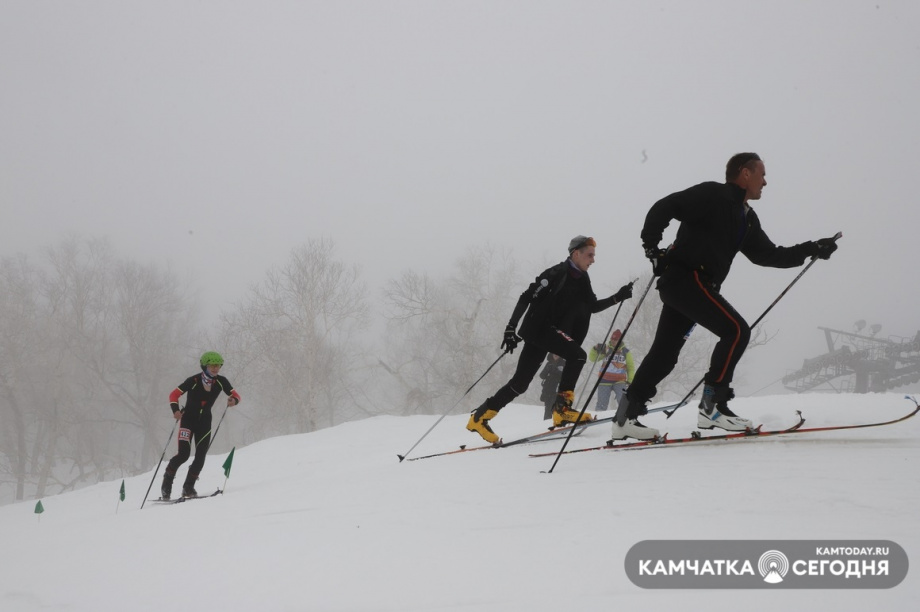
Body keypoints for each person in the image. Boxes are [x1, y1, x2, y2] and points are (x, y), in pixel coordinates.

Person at [612, 152, 838, 441]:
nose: (765, 182)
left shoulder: (747, 217)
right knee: (735, 330)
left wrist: (812, 248)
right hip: (686, 278)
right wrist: (652, 249)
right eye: (762, 175)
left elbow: (768, 255)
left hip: (694, 286)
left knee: (665, 355)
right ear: (745, 173)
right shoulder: (713, 195)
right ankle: (713, 406)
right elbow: (664, 207)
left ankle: (624, 418)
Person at [466, 235, 634, 444]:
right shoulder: (556, 273)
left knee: (520, 384)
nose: (593, 260)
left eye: (594, 255)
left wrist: (617, 297)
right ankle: (562, 409)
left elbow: (591, 307)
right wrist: (511, 328)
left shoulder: (582, 279)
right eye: (589, 255)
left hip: (547, 333)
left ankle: (480, 417)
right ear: (576, 254)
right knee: (577, 357)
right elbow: (526, 296)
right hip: (539, 329)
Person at [161, 351, 241, 499]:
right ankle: (167, 483)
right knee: (183, 455)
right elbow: (174, 395)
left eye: (218, 366)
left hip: (204, 422)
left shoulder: (221, 381)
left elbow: (236, 395)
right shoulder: (194, 380)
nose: (216, 369)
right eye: (212, 366)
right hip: (188, 421)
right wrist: (176, 410)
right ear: (205, 366)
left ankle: (188, 488)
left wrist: (233, 401)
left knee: (201, 456)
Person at [588, 329, 634, 411]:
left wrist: (630, 380)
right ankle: (599, 418)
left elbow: (630, 367)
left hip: (620, 381)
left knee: (623, 401)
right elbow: (593, 359)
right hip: (604, 380)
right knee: (602, 404)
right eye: (612, 339)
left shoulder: (626, 352)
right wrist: (595, 349)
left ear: (620, 340)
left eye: (615, 339)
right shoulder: (606, 349)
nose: (613, 341)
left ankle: (624, 416)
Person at [538, 354, 565, 420]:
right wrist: (547, 369)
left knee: (555, 406)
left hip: (557, 389)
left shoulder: (563, 363)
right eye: (554, 353)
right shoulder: (549, 363)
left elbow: (565, 376)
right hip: (547, 388)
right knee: (547, 406)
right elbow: (542, 376)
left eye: (557, 354)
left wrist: (556, 371)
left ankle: (556, 421)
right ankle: (546, 421)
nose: (556, 355)